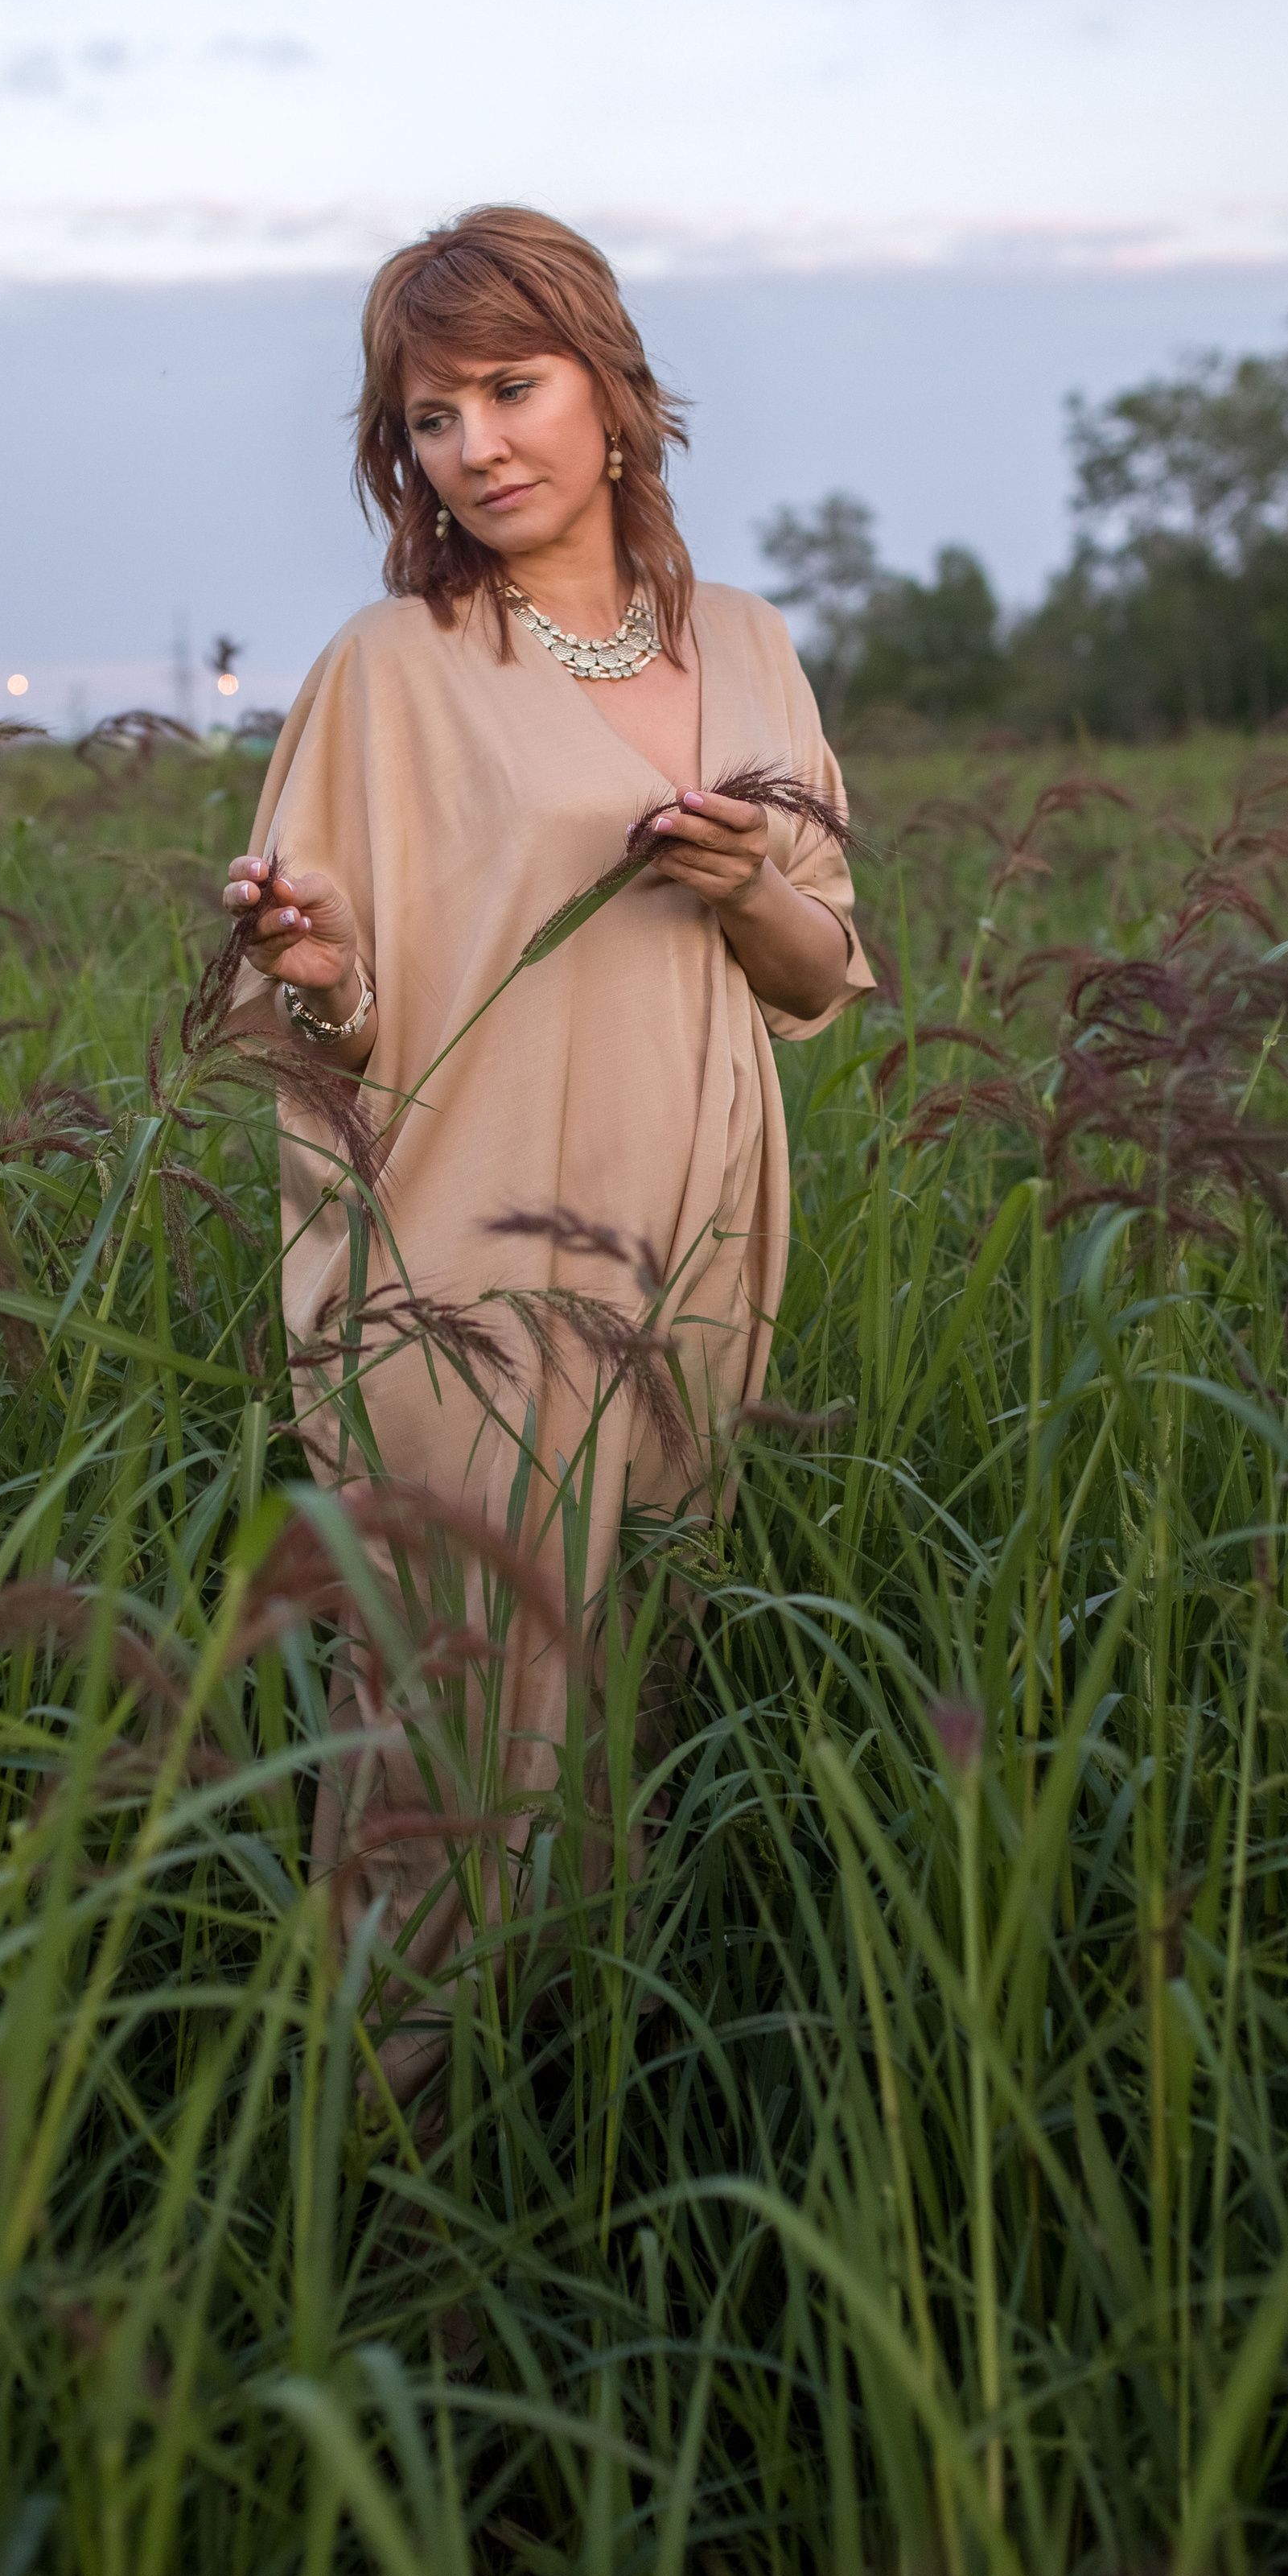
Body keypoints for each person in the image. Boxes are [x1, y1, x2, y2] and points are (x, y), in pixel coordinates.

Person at [220, 206, 871, 2101]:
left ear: (607, 392)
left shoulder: (747, 649)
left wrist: (750, 880)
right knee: (446, 1745)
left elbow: (821, 970)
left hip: (686, 1251)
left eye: (511, 388)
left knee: (617, 1724)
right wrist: (322, 972)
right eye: (429, 416)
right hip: (462, 1274)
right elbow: (312, 1033)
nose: (475, 444)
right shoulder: (391, 667)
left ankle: (569, 2133)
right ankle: (376, 2175)